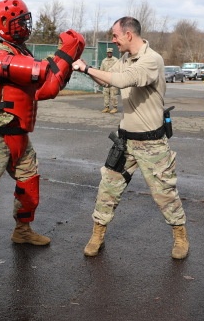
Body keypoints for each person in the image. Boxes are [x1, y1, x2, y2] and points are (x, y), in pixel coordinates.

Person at [0, 0, 85, 262]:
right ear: (4, 24)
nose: (25, 26)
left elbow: (46, 88)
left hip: (18, 134)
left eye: (26, 20)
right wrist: (55, 59)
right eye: (19, 22)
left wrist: (66, 60)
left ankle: (22, 230)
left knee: (29, 185)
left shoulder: (20, 51)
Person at [72, 17, 189, 260]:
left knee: (165, 194)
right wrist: (87, 69)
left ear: (128, 34)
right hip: (125, 142)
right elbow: (109, 81)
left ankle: (180, 236)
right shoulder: (125, 60)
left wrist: (85, 68)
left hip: (152, 143)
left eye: (115, 36)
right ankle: (97, 235)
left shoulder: (151, 60)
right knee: (107, 190)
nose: (113, 41)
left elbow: (124, 80)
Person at [99, 47, 119, 113]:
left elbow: (118, 69)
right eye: (108, 52)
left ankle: (115, 107)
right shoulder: (104, 61)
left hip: (113, 79)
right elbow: (101, 70)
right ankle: (106, 107)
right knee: (106, 94)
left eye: (110, 52)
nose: (109, 53)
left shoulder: (116, 60)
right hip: (105, 80)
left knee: (113, 94)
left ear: (112, 53)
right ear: (107, 53)